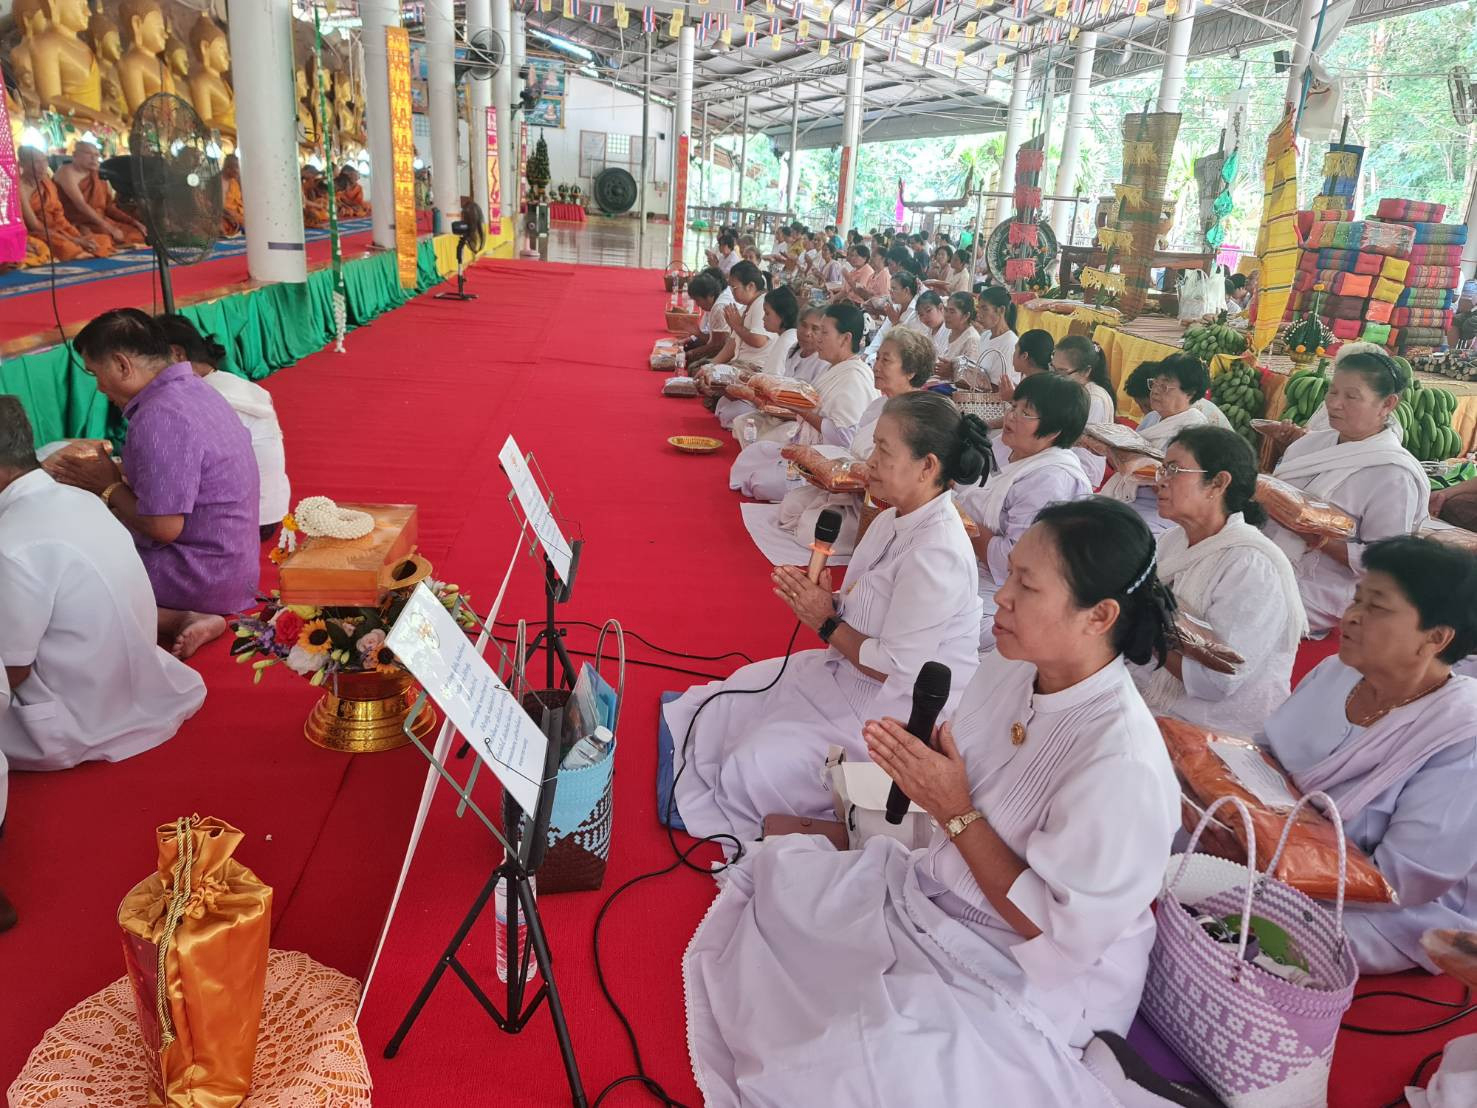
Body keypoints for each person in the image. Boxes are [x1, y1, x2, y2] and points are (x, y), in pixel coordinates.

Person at [683, 497, 1181, 1105]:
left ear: (1099, 615)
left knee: (846, 1070)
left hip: (1032, 971)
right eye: (1010, 574)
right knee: (786, 889)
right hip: (943, 893)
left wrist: (953, 808)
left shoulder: (1122, 763)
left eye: (1026, 585)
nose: (1000, 596)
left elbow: (1053, 930)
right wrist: (934, 790)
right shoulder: (1011, 667)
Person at [669, 392, 991, 843]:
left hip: (891, 716)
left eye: (883, 450)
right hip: (845, 675)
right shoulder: (892, 519)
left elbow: (896, 668)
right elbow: (870, 604)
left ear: (927, 466)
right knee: (727, 700)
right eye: (873, 445)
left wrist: (824, 621)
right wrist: (831, 600)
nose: (870, 459)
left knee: (749, 767)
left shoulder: (937, 552)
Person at [1257, 537, 1477, 974]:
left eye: (1377, 606)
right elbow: (1265, 753)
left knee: (1250, 928)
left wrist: (1275, 858)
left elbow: (1404, 878)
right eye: (1357, 598)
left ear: (1435, 637)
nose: (1351, 616)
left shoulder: (1462, 734)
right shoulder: (1337, 671)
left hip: (1380, 906)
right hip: (1272, 839)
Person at [0, 396, 206, 775]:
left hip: (71, 719)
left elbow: (11, 673)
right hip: (131, 687)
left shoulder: (12, 543)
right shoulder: (80, 499)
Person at [45, 309, 259, 657]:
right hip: (232, 567)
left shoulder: (159, 415)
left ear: (121, 365)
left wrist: (108, 486)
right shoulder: (194, 390)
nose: (99, 388)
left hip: (197, 576)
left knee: (60, 574)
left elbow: (164, 527)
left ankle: (176, 617)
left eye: (95, 374)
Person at [1134, 427, 1307, 734]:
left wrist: (1136, 630)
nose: (1160, 480)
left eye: (1174, 470)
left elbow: (1218, 679)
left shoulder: (1251, 565)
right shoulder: (1172, 541)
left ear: (1218, 482)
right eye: (1162, 468)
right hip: (1151, 697)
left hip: (1210, 729)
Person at [1263, 350, 1428, 636]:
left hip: (1323, 586)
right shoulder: (1307, 446)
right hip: (1265, 555)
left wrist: (1320, 539)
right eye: (1332, 391)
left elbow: (1386, 563)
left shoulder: (1393, 474)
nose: (1335, 404)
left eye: (1351, 397)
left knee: (1242, 607)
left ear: (1387, 404)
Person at [956, 373, 1092, 650]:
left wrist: (957, 517)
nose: (1012, 416)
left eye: (1026, 413)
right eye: (1014, 406)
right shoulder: (1007, 448)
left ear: (1053, 431)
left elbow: (1011, 561)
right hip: (966, 563)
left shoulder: (1050, 480)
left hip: (1005, 597)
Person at [776, 327, 936, 551]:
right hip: (848, 489)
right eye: (877, 358)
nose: (876, 366)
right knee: (790, 506)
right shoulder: (879, 405)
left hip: (879, 505)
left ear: (910, 371)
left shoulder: (917, 416)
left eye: (886, 360)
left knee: (808, 528)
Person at [155, 314, 290, 538]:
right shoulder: (230, 382)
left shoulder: (206, 398)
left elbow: (180, 477)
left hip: (247, 519)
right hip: (270, 508)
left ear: (176, 354)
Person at [729, 303, 878, 501]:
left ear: (845, 338)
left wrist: (800, 410)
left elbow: (845, 438)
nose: (817, 338)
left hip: (828, 462)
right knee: (755, 454)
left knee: (760, 482)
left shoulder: (854, 377)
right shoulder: (836, 367)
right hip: (807, 446)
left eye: (823, 332)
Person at [1103, 355, 1209, 536]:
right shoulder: (1153, 417)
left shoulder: (1194, 431)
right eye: (1154, 383)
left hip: (1161, 507)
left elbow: (1178, 485)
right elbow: (1131, 452)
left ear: (1189, 393)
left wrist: (1133, 464)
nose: (1155, 392)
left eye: (1165, 386)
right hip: (1131, 494)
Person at [18, 146, 113, 260]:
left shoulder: (47, 182)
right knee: (65, 246)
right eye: (36, 162)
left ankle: (81, 249)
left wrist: (74, 235)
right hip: (40, 232)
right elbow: (34, 225)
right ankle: (76, 252)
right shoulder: (20, 187)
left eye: (44, 161)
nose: (42, 166)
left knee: (101, 240)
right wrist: (74, 240)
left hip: (59, 226)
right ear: (22, 164)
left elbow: (58, 213)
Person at [54, 140, 147, 248]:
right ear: (75, 155)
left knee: (137, 234)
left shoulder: (97, 173)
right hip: (77, 221)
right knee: (102, 239)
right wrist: (110, 228)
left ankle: (117, 243)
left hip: (100, 220)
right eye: (89, 154)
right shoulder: (67, 172)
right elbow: (81, 205)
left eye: (96, 155)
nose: (94, 159)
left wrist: (134, 222)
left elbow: (108, 206)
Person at [1052, 334, 1116, 487]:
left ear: (1086, 371)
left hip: (1082, 470)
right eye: (1052, 369)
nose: (1054, 377)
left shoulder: (1094, 400)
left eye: (1061, 372)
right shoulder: (1073, 387)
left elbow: (1074, 440)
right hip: (1062, 458)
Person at [970, 285, 1018, 391]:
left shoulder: (1010, 343)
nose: (979, 314)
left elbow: (1000, 388)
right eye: (978, 308)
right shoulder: (985, 335)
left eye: (984, 309)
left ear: (1001, 310)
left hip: (995, 403)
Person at [934, 291, 982, 380]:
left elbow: (970, 379)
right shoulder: (947, 331)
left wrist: (952, 372)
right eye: (946, 310)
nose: (946, 315)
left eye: (952, 312)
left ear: (965, 316)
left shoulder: (972, 339)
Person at [221, 152, 244, 236]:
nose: (238, 172)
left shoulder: (234, 182)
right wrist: (232, 216)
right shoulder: (219, 182)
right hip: (224, 215)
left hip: (238, 214)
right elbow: (219, 207)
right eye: (237, 168)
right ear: (228, 168)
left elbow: (240, 201)